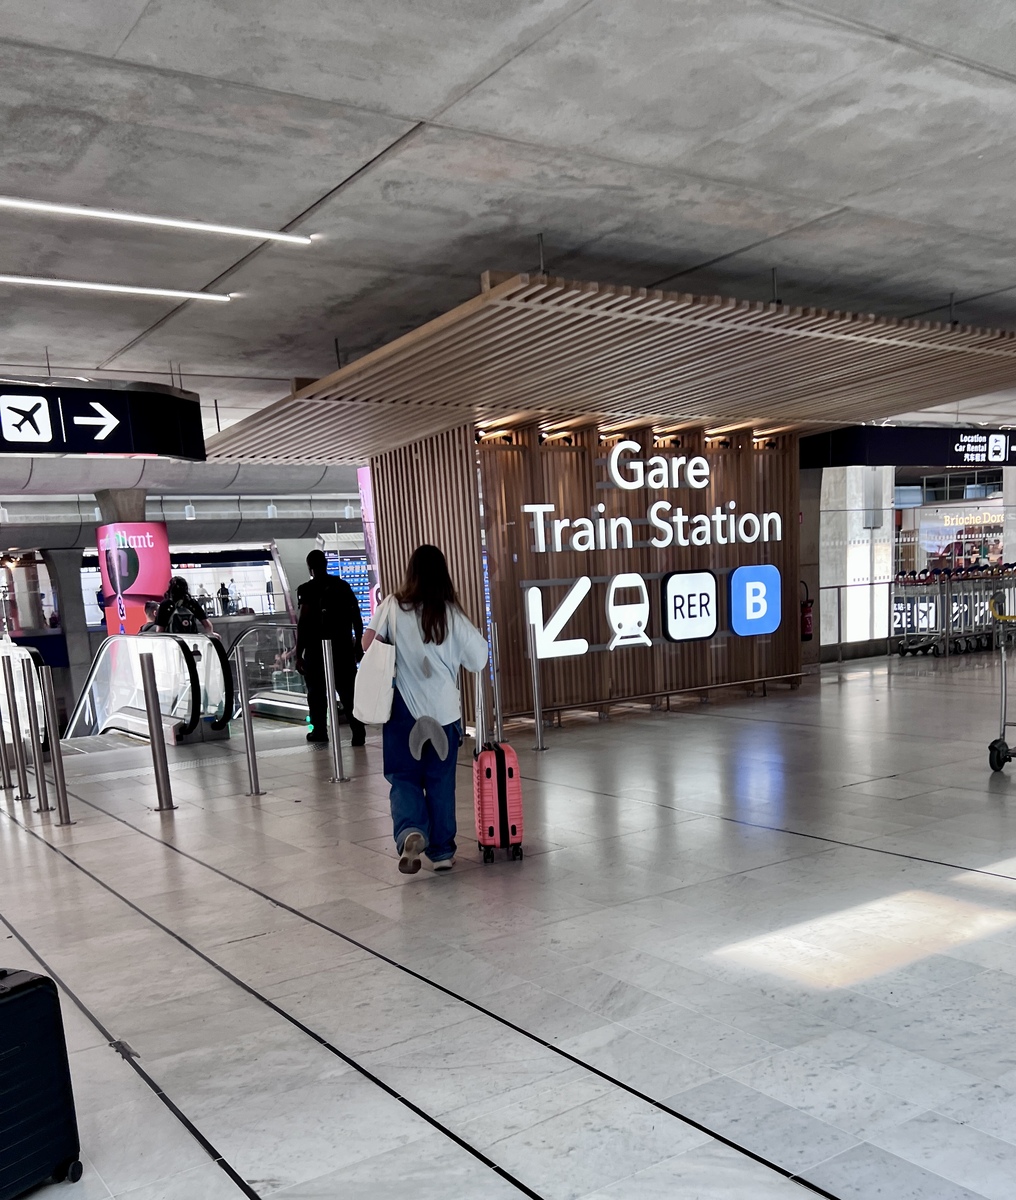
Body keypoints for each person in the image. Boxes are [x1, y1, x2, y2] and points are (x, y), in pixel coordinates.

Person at [362, 544, 487, 874]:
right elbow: (479, 659)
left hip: (403, 711)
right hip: (444, 715)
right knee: (441, 782)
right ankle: (442, 852)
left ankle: (410, 830)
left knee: (403, 778)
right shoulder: (452, 614)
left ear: (411, 573)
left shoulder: (391, 606)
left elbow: (367, 643)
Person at [296, 549, 366, 747]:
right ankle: (358, 731)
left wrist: (299, 654)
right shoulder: (342, 586)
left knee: (317, 694)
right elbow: (356, 617)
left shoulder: (307, 590)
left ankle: (320, 731)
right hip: (343, 648)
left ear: (310, 568)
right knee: (349, 692)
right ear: (326, 564)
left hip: (316, 651)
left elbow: (303, 623)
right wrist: (358, 644)